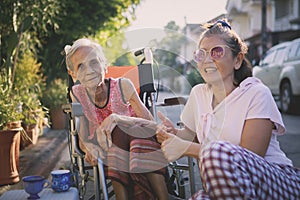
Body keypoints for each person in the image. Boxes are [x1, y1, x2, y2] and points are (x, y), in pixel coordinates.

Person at [156, 19, 300, 199]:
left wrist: (185, 148)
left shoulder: (256, 93)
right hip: (228, 191)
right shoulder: (198, 93)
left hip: (277, 183)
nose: (207, 60)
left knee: (215, 152)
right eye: (201, 54)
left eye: (216, 52)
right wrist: (172, 134)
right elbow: (188, 134)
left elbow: (250, 158)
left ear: (238, 60)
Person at [64, 38, 169, 200]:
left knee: (125, 131)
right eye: (81, 66)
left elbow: (151, 125)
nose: (89, 70)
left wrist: (116, 119)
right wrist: (87, 149)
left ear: (104, 66)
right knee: (115, 138)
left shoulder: (123, 85)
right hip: (107, 147)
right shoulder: (77, 93)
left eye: (94, 62)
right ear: (73, 74)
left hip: (138, 145)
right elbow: (83, 131)